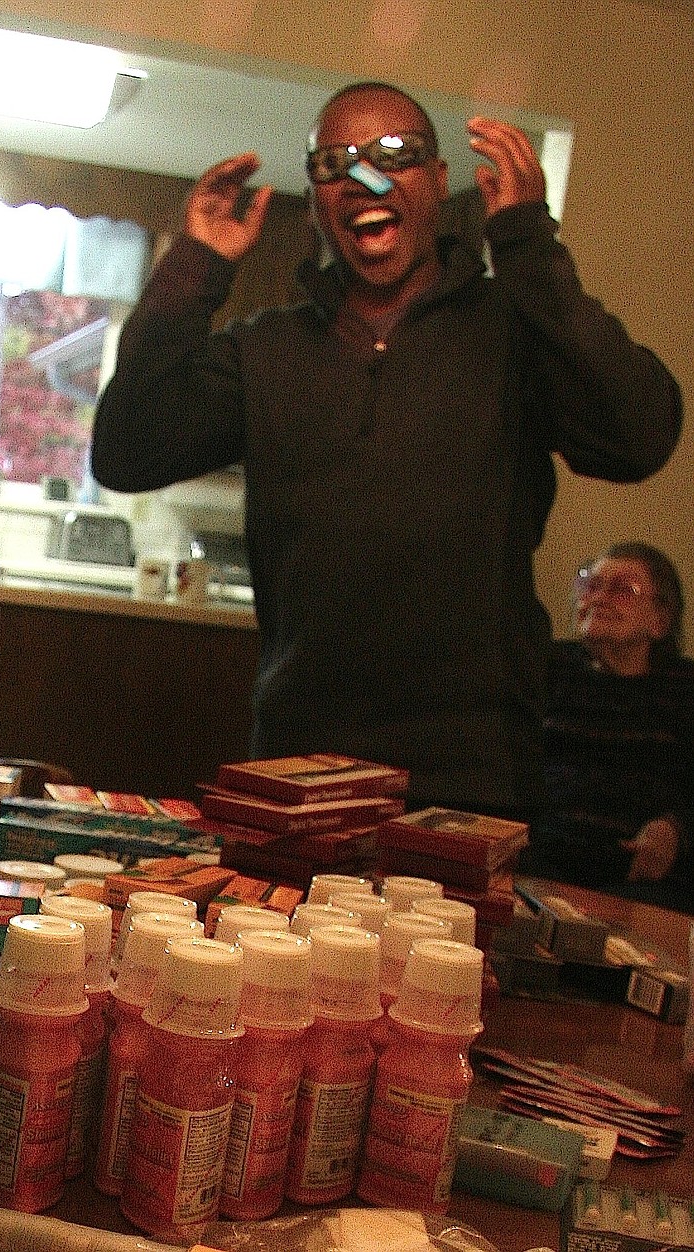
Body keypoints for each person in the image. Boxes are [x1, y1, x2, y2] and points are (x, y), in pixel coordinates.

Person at [92, 81, 682, 815]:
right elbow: (125, 451)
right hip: (296, 757)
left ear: (438, 182)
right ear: (316, 204)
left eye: (395, 154)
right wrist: (194, 269)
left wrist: (528, 245)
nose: (364, 177)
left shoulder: (515, 330)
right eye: (335, 164)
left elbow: (639, 436)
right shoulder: (264, 350)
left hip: (474, 769)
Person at [522, 543, 694, 910]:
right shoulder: (548, 668)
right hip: (539, 861)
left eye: (622, 590)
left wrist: (677, 829)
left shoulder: (683, 691)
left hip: (638, 878)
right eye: (589, 585)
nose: (599, 599)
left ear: (660, 620)